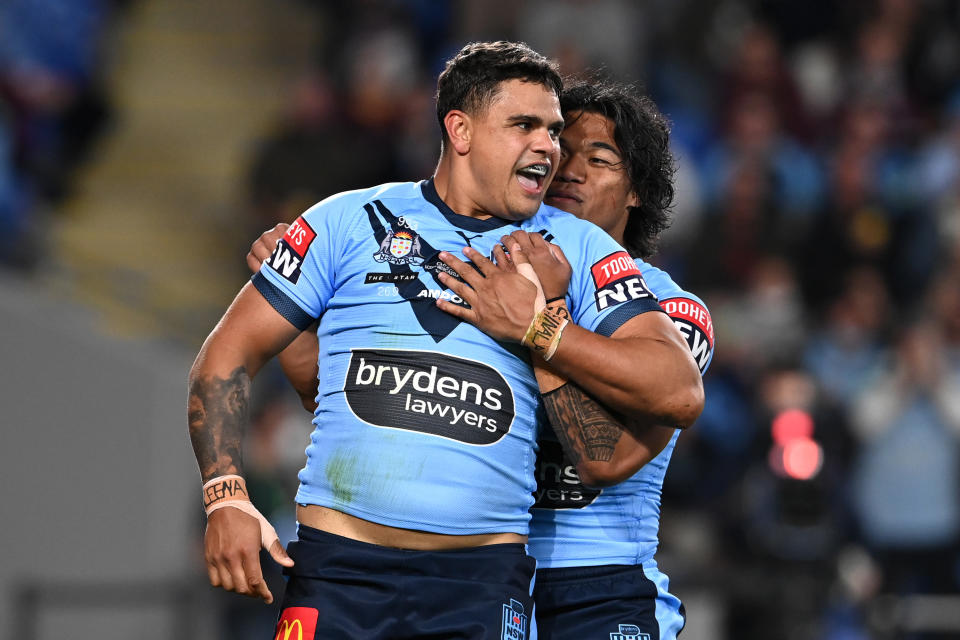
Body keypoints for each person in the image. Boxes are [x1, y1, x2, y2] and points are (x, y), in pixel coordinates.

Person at [189, 41, 703, 640]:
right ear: (460, 130)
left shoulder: (580, 249)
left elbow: (678, 391)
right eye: (525, 125)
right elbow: (232, 358)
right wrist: (226, 497)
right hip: (337, 572)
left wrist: (540, 325)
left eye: (553, 130)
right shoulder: (345, 220)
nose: (550, 149)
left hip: (483, 584)